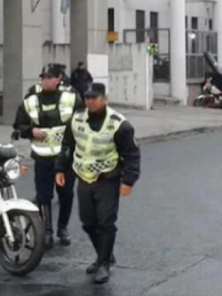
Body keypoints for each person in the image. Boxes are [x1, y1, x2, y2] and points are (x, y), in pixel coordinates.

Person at [56, 83, 141, 284]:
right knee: (88, 222)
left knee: (105, 222)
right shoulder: (76, 120)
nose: (90, 101)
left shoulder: (119, 124)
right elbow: (67, 146)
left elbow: (131, 155)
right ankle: (105, 253)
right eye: (87, 98)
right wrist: (60, 168)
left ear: (105, 99)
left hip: (107, 178)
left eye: (95, 98)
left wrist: (128, 180)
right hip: (83, 177)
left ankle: (103, 263)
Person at [14, 64, 80, 247]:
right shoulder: (31, 99)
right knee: (44, 196)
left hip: (65, 158)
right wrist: (30, 130)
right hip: (42, 157)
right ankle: (48, 231)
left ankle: (62, 228)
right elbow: (18, 124)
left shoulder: (71, 97)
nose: (45, 80)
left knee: (66, 194)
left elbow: (83, 122)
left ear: (59, 78)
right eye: (43, 77)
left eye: (49, 77)